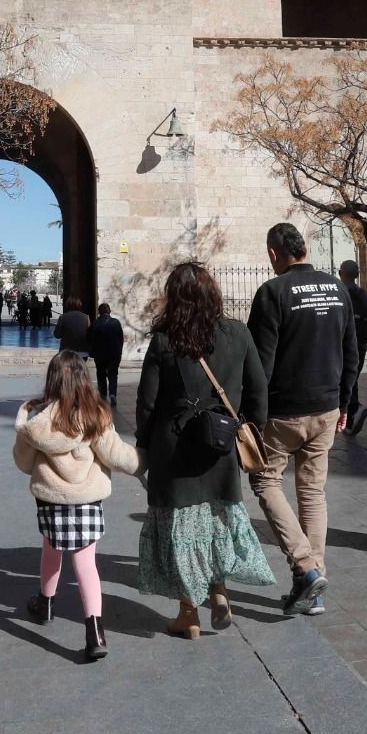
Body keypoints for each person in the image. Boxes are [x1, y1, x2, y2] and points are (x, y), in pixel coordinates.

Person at [136, 262, 275, 639]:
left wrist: (143, 444)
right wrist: (249, 428)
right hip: (221, 444)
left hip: (173, 448)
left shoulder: (165, 338)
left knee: (180, 529)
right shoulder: (238, 333)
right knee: (217, 522)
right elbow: (259, 390)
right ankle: (219, 591)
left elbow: (147, 402)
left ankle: (188, 614)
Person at [246, 223, 358, 617]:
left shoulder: (272, 293)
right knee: (312, 492)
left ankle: (306, 567)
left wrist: (253, 417)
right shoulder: (338, 289)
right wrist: (344, 403)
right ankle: (316, 585)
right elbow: (351, 353)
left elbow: (261, 363)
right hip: (327, 407)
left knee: (264, 480)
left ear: (275, 252)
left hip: (283, 411)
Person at [13, 351, 143, 662]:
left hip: (51, 497)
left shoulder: (37, 420)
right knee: (86, 563)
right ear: (84, 378)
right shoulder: (94, 415)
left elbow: (23, 461)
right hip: (86, 497)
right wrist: (144, 461)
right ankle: (95, 631)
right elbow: (116, 455)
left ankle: (45, 603)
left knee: (51, 548)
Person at [337, 260, 367, 435]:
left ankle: (353, 409)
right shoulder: (364, 296)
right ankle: (351, 417)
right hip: (360, 343)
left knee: (343, 378)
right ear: (357, 275)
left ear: (339, 272)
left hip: (340, 343)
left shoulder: (336, 293)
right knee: (353, 376)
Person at [88, 303, 125, 406]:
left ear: (99, 312)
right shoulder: (116, 323)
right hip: (114, 353)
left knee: (101, 373)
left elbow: (91, 339)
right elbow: (121, 338)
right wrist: (119, 351)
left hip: (100, 353)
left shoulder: (96, 323)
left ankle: (103, 394)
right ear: (109, 311)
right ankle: (112, 393)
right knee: (113, 374)